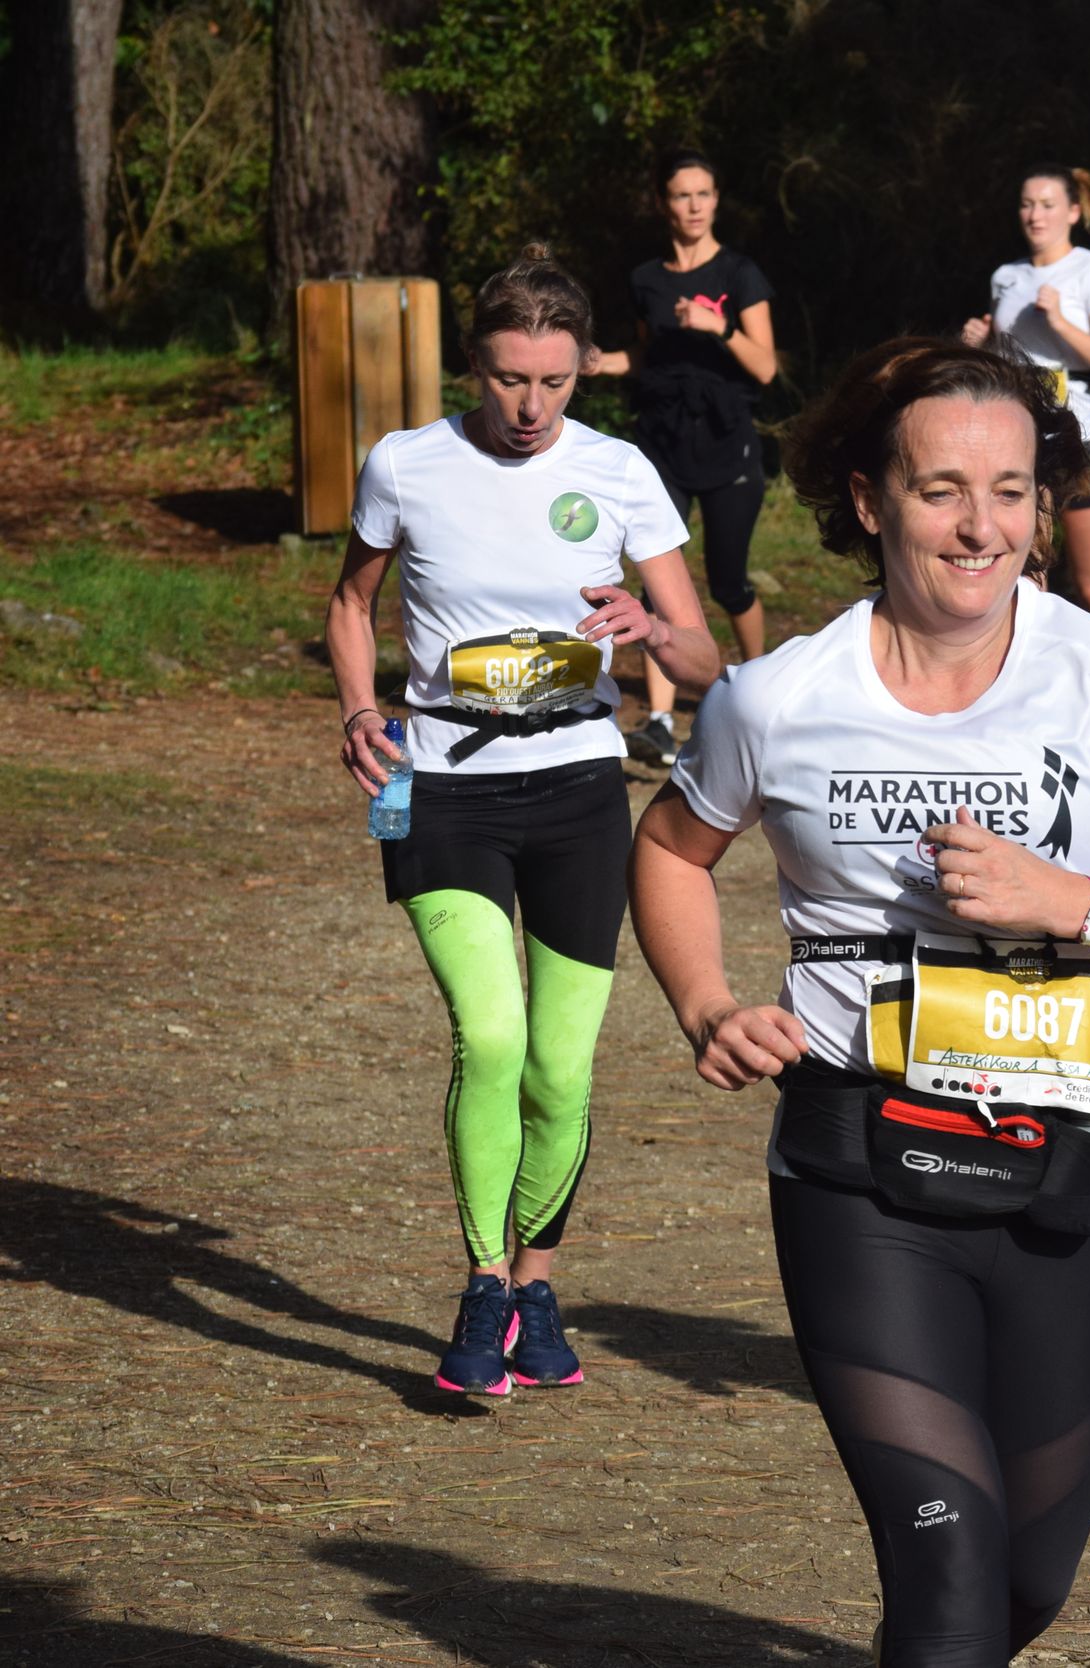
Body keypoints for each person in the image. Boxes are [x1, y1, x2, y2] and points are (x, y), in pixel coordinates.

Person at [630, 339, 1090, 1666]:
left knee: (1027, 1579)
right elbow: (673, 851)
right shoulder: (777, 697)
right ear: (870, 501)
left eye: (1012, 492)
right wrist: (707, 1004)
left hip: (1066, 1168)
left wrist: (1069, 901)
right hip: (862, 1171)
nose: (983, 528)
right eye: (943, 491)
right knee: (951, 1577)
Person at [327, 245, 721, 1396]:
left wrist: (653, 628)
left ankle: (539, 1288)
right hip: (441, 786)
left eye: (554, 382)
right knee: (491, 1035)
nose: (531, 406)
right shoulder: (406, 464)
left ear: (581, 370)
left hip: (578, 788)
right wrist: (358, 707)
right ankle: (484, 1284)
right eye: (509, 380)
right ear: (475, 366)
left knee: (559, 1063)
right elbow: (351, 602)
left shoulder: (618, 471)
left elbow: (704, 655)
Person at [590, 147, 778, 766]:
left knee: (728, 580)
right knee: (655, 583)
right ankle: (660, 720)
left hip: (727, 443)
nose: (693, 206)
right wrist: (595, 361)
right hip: (663, 444)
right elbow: (647, 358)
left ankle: (761, 698)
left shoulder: (740, 274)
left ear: (716, 200)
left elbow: (766, 367)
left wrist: (715, 325)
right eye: (681, 195)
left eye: (703, 194)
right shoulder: (647, 278)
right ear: (663, 203)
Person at [960, 166, 1090, 624]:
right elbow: (1008, 363)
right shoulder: (1006, 276)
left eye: (1047, 205)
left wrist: (1060, 322)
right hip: (1023, 442)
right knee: (1027, 581)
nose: (1035, 215)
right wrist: (980, 345)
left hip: (1089, 441)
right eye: (1027, 204)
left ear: (1073, 212)